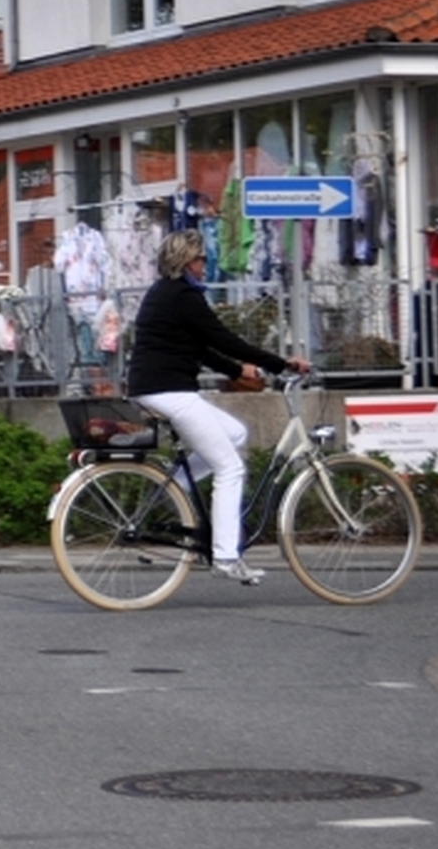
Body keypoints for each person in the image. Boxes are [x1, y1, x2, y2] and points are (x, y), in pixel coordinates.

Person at [126, 228, 309, 584]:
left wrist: (237, 369)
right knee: (230, 469)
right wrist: (281, 363)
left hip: (157, 389)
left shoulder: (167, 294)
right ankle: (226, 556)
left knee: (235, 432)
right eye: (201, 259)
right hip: (169, 391)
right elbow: (222, 338)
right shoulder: (183, 296)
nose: (205, 265)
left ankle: (173, 489)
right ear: (186, 261)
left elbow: (201, 348)